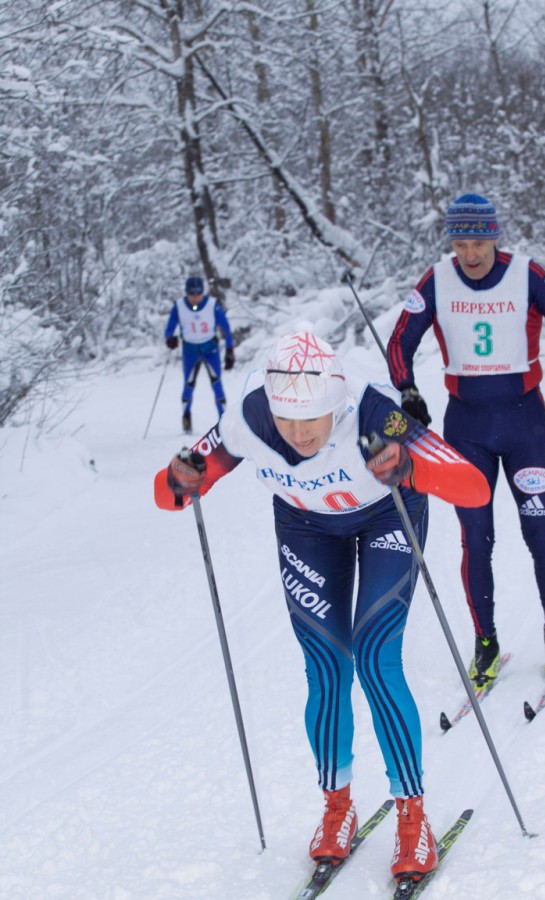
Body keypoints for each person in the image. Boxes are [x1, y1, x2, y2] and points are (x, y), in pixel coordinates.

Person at [154, 331, 490, 886]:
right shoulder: (247, 416)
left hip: (387, 515)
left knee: (376, 658)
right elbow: (171, 494)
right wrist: (179, 480)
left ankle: (412, 816)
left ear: (337, 401)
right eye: (287, 422)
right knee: (327, 669)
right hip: (306, 527)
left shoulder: (376, 413)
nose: (300, 434)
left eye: (313, 420)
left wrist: (409, 468)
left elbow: (474, 487)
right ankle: (337, 807)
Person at [387, 193, 545, 688]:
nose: (471, 253)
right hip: (467, 431)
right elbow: (399, 341)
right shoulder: (436, 279)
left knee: (538, 534)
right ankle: (486, 644)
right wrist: (408, 388)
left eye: (479, 240)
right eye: (460, 242)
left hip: (525, 425)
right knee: (476, 541)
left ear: (494, 236)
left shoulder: (528, 274)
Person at [164, 274, 235, 432]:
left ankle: (223, 420)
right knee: (188, 385)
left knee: (217, 384)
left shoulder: (212, 304)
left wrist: (230, 349)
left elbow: (226, 328)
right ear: (187, 293)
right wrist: (170, 338)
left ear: (202, 292)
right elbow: (170, 327)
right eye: (192, 294)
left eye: (198, 294)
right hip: (190, 351)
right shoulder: (179, 306)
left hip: (211, 350)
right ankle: (186, 416)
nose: (195, 298)